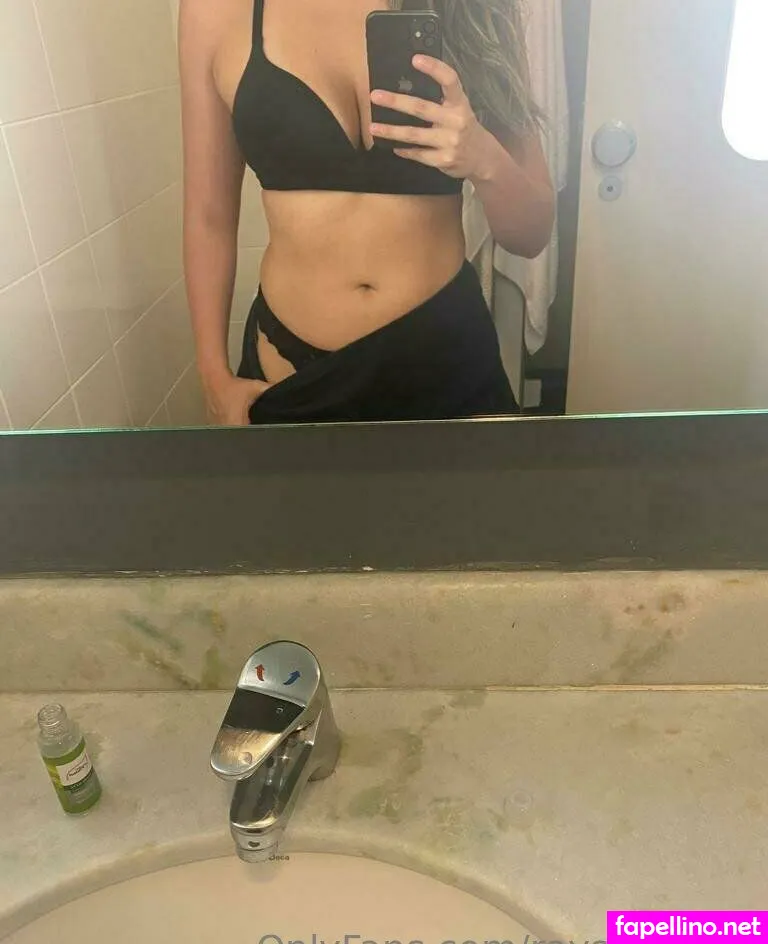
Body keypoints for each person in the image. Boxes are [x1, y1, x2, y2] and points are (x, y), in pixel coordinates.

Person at [179, 0, 555, 425]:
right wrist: (213, 375)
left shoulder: (472, 7)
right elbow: (209, 217)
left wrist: (484, 159)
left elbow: (532, 234)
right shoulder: (216, 10)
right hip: (291, 376)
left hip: (447, 361)